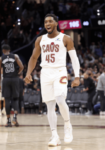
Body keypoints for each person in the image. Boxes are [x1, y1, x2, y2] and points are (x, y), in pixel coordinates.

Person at [24, 14, 80, 146]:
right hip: (45, 73)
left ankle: (67, 125)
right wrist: (28, 73)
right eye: (45, 22)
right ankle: (54, 135)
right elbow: (33, 58)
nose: (47, 24)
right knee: (49, 105)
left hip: (60, 71)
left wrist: (77, 76)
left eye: (50, 21)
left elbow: (74, 58)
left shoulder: (65, 38)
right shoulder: (40, 39)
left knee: (60, 100)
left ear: (56, 23)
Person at [0, 44, 24, 127]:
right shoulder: (15, 56)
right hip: (15, 79)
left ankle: (8, 121)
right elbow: (22, 66)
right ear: (9, 50)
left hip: (6, 79)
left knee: (7, 99)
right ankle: (15, 117)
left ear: (3, 51)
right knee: (15, 99)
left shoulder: (0, 59)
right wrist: (17, 73)